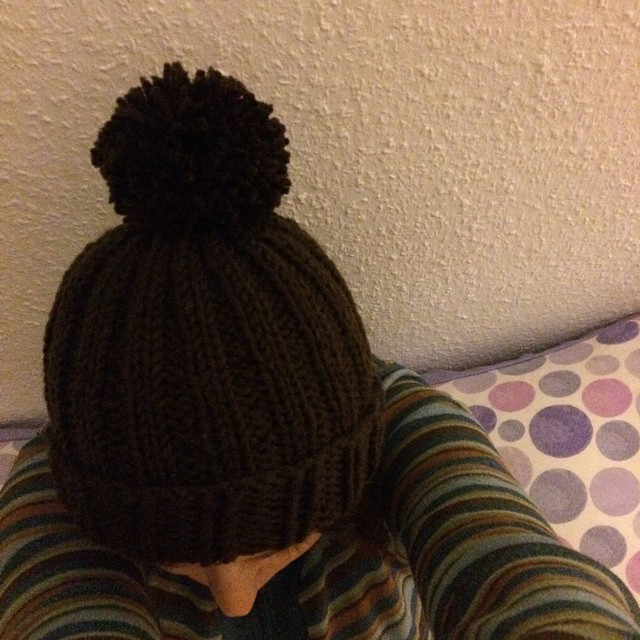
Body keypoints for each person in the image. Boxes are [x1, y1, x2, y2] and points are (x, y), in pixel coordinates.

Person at [1, 62, 639, 640]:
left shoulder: (399, 423)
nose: (234, 601)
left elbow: (516, 570)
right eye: (177, 555)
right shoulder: (62, 480)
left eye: (269, 544)